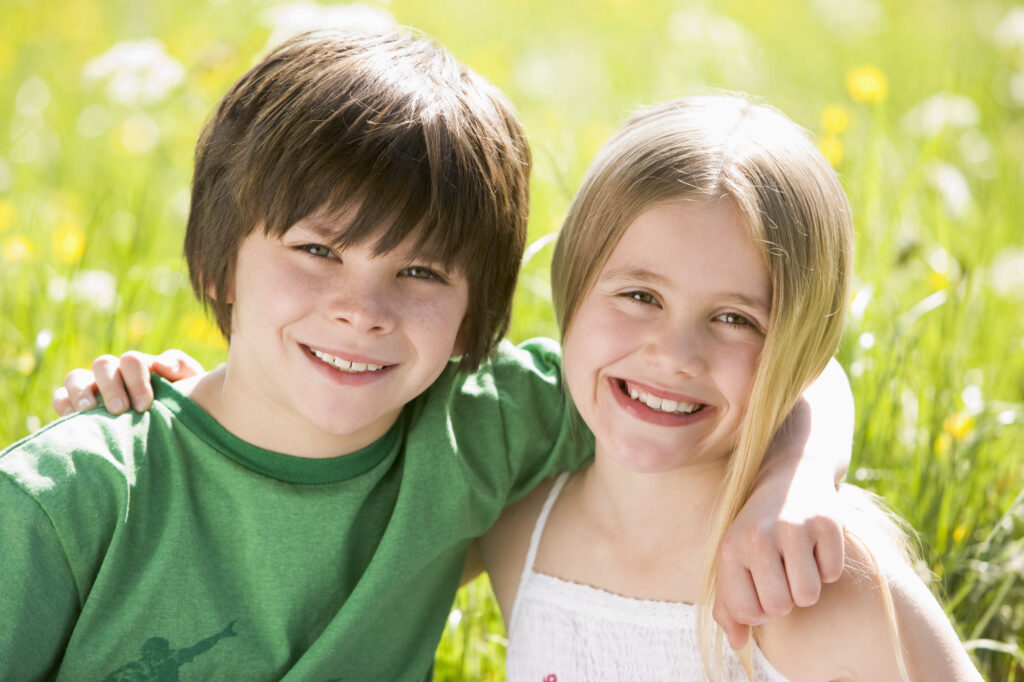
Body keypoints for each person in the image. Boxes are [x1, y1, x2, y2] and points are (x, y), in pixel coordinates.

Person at [17, 28, 848, 681]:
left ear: (473, 309)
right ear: (217, 259)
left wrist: (797, 479)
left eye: (418, 271)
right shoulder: (77, 497)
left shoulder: (475, 431)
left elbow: (785, 369)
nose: (363, 311)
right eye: (317, 250)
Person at [477, 95, 982, 681]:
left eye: (735, 319)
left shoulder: (820, 583)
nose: (674, 355)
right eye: (641, 297)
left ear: (796, 348)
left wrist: (802, 469)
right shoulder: (517, 531)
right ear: (571, 291)